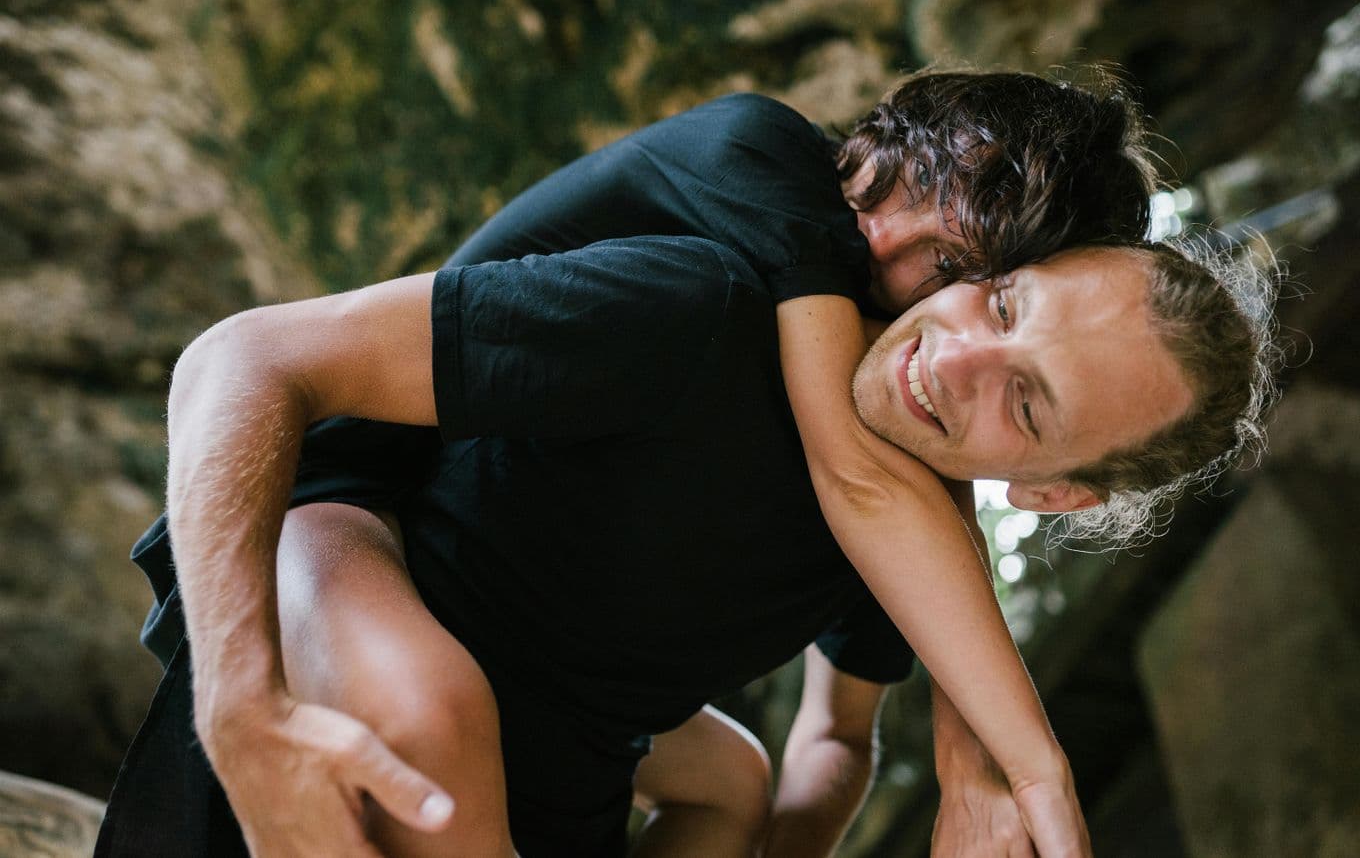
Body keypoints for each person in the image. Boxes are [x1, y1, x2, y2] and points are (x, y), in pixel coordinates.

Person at [93, 73, 1272, 858]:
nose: (879, 241)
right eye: (996, 299)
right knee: (428, 706)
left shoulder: (914, 511)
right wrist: (241, 705)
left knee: (736, 783)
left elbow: (849, 706)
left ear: (1054, 487)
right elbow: (246, 358)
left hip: (558, 702)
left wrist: (972, 758)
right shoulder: (751, 214)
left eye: (1024, 395)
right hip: (345, 507)